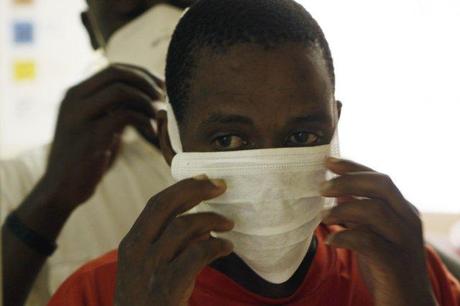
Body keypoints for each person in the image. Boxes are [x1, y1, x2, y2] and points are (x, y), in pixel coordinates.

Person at [47, 0, 460, 305]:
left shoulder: (402, 269)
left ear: (334, 125)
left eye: (301, 136)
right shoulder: (101, 293)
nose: (271, 175)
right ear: (169, 141)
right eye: (228, 139)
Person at [1, 1, 192, 305]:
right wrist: (51, 197)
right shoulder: (22, 181)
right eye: (131, 12)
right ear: (92, 31)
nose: (162, 25)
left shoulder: (279, 150)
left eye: (182, 4)